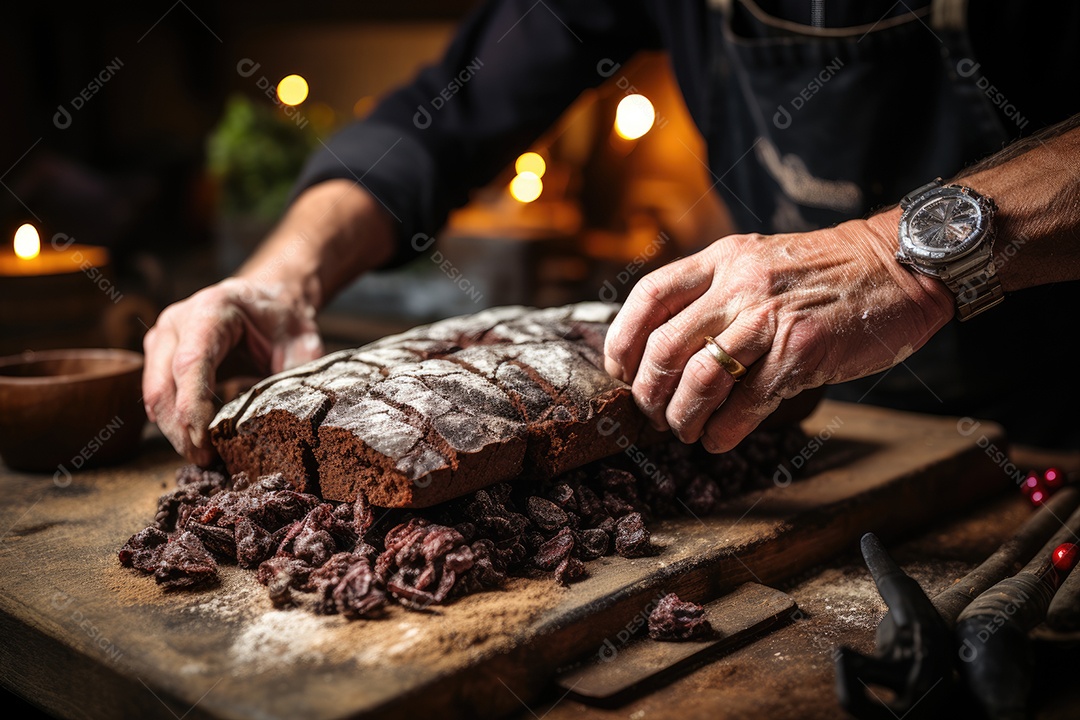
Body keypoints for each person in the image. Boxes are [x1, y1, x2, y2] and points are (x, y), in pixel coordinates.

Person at [143, 0, 1080, 467]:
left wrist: (899, 257)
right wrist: (284, 272)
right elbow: (446, 112)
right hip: (776, 433)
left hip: (1050, 436)